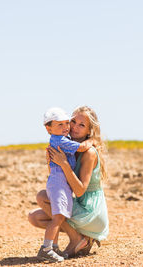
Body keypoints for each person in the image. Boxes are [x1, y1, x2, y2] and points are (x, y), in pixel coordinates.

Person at [29, 105, 109, 258]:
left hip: (90, 211)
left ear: (89, 131)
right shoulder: (68, 146)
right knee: (35, 217)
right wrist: (52, 163)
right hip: (78, 203)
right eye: (73, 122)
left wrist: (64, 164)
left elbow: (79, 191)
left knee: (43, 197)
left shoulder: (89, 152)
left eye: (82, 125)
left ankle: (76, 239)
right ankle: (82, 238)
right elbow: (61, 182)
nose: (74, 127)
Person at [37, 107, 93, 262]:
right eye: (59, 125)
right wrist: (92, 140)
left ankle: (54, 248)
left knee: (58, 216)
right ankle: (46, 248)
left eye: (66, 123)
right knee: (58, 217)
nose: (66, 127)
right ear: (48, 128)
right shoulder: (60, 140)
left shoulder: (60, 139)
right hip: (59, 183)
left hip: (59, 182)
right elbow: (82, 147)